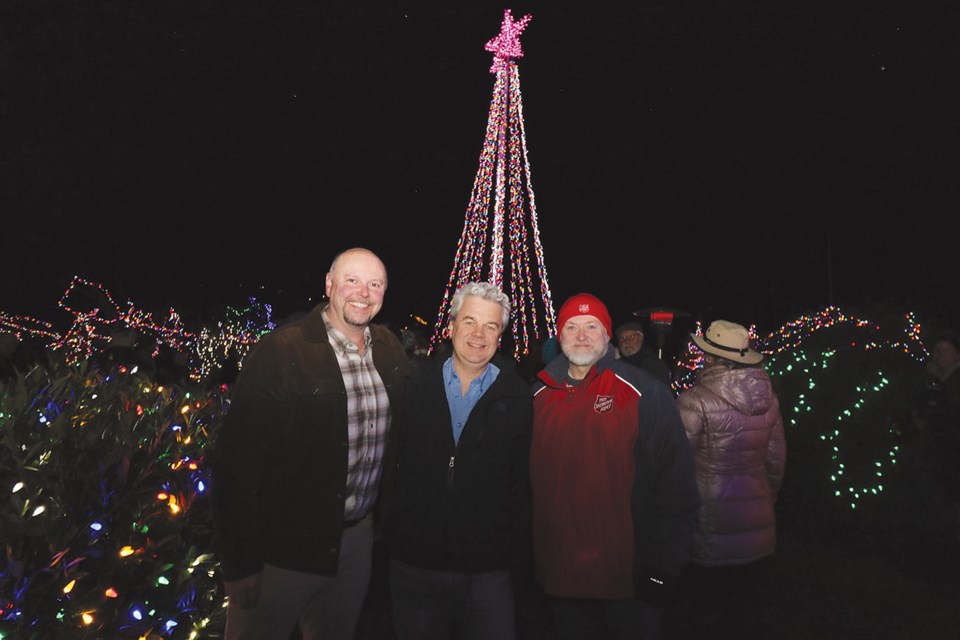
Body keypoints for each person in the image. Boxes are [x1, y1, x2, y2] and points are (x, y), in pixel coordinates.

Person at [209, 247, 410, 640]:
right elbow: (236, 464)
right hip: (283, 547)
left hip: (356, 543)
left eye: (375, 284)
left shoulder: (389, 352)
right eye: (351, 280)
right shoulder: (283, 351)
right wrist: (240, 563)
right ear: (329, 284)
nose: (362, 292)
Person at [529, 292, 700, 640]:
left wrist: (665, 564)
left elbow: (676, 482)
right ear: (559, 336)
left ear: (607, 335)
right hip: (558, 577)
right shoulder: (537, 395)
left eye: (592, 326)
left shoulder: (644, 391)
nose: (581, 336)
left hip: (626, 581)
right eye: (572, 327)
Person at [386, 281, 533, 640]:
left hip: (487, 571)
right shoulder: (412, 385)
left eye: (491, 326)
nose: (478, 334)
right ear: (451, 326)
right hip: (414, 563)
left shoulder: (519, 397)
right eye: (469, 321)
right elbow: (390, 463)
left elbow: (522, 483)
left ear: (501, 335)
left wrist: (508, 547)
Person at [674, 319, 786, 632]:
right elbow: (776, 461)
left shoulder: (694, 401)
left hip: (709, 526)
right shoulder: (769, 399)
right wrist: (767, 498)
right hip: (757, 519)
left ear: (709, 357)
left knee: (706, 614)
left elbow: (675, 468)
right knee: (746, 615)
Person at [614, 320, 672, 387]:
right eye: (623, 338)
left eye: (632, 337)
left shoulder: (655, 366)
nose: (627, 341)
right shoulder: (615, 366)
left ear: (641, 339)